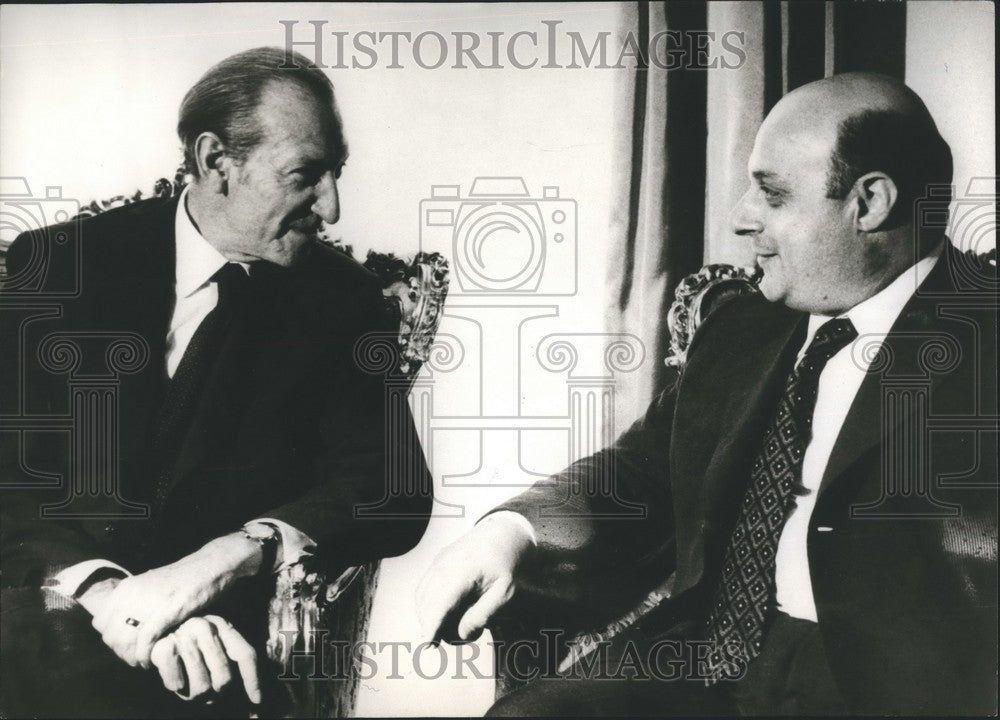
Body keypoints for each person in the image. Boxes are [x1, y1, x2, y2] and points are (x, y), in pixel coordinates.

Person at [417, 73, 997, 715]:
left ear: (870, 203)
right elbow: (640, 473)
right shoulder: (743, 327)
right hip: (704, 657)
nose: (740, 218)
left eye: (772, 196)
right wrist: (511, 532)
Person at [0, 47, 432, 717]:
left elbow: (393, 489)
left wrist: (238, 553)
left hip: (225, 637)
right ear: (214, 161)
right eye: (305, 175)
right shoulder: (63, 265)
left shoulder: (343, 303)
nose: (333, 206)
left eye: (335, 174)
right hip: (59, 602)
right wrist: (114, 596)